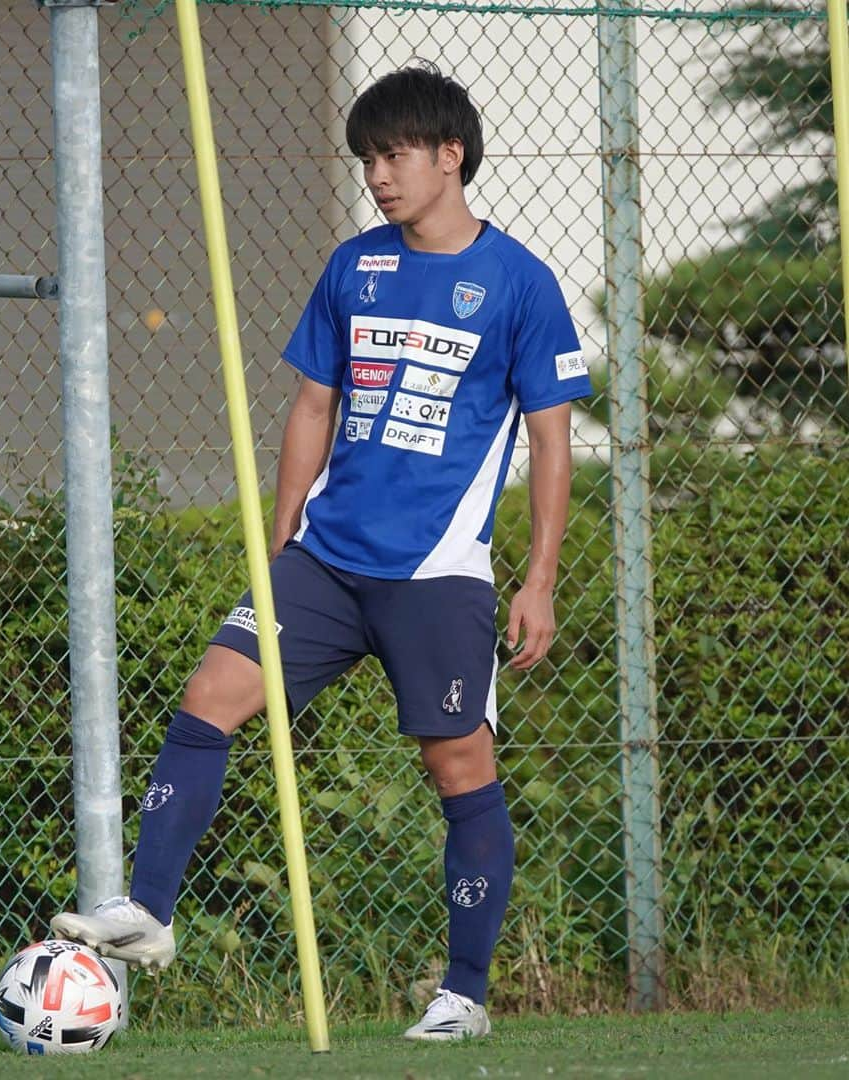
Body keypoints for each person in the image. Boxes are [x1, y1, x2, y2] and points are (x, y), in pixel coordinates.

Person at [52, 61, 592, 1041]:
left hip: (437, 578)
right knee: (211, 695)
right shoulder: (354, 267)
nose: (379, 176)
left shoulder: (519, 282)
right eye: (368, 159)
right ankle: (149, 909)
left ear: (449, 156)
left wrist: (540, 579)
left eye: (393, 156)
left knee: (458, 769)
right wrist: (278, 530)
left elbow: (552, 440)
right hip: (325, 562)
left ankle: (463, 993)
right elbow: (313, 402)